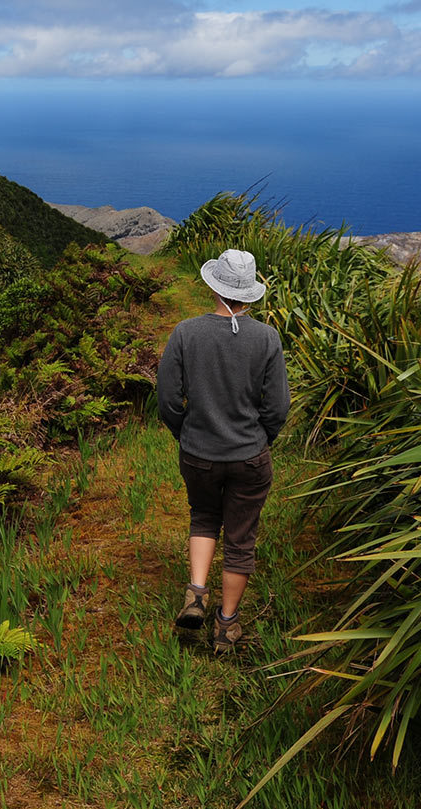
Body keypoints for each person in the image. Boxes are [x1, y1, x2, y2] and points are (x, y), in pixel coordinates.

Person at [156, 248, 290, 653]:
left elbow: (166, 399)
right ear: (248, 295)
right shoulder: (267, 338)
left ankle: (196, 593)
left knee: (203, 516)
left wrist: (187, 433)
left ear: (213, 286)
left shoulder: (185, 333)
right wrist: (262, 439)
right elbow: (278, 407)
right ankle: (225, 626)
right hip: (249, 455)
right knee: (240, 538)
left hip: (199, 453)